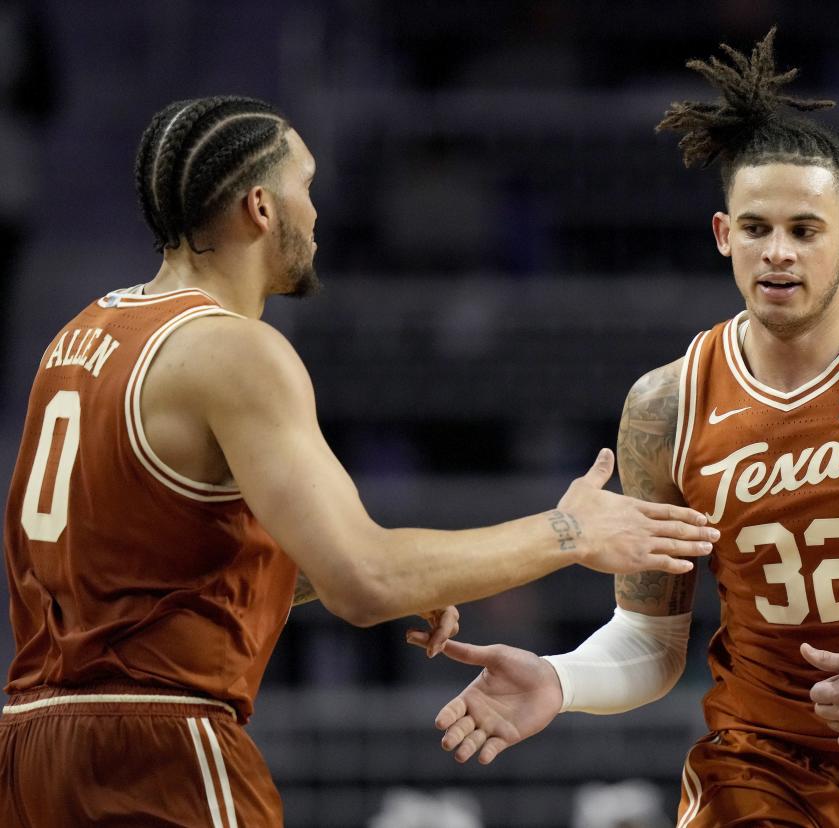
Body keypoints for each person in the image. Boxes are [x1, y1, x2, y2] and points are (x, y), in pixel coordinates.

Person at [410, 30, 839, 827]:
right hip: (758, 771)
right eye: (756, 228)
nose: (777, 252)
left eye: (804, 230)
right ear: (723, 235)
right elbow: (651, 640)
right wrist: (561, 679)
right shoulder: (667, 405)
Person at [0, 95, 718, 826]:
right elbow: (365, 580)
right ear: (260, 207)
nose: (317, 214)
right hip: (157, 752)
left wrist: (402, 576)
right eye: (305, 187)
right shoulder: (234, 350)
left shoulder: (79, 336)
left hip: (32, 748)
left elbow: (151, 576)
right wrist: (571, 532)